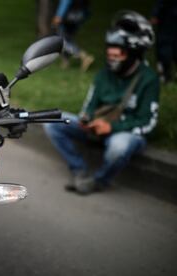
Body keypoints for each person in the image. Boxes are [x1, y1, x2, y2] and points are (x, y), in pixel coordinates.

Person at [44, 11, 159, 195]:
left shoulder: (148, 79)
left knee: (119, 147)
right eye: (109, 51)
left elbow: (148, 122)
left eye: (119, 52)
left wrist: (111, 127)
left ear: (133, 53)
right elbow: (90, 104)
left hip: (125, 133)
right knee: (53, 121)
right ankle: (78, 169)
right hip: (97, 126)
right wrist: (86, 118)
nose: (111, 56)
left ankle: (98, 181)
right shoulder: (103, 75)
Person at [52, 0, 94, 71]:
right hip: (78, 17)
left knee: (62, 41)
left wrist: (58, 16)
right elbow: (87, 8)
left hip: (67, 18)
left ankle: (84, 56)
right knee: (69, 39)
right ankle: (65, 62)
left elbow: (65, 2)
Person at [151, 0, 177, 83]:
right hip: (166, 25)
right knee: (164, 52)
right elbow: (160, 3)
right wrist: (155, 14)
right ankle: (165, 76)